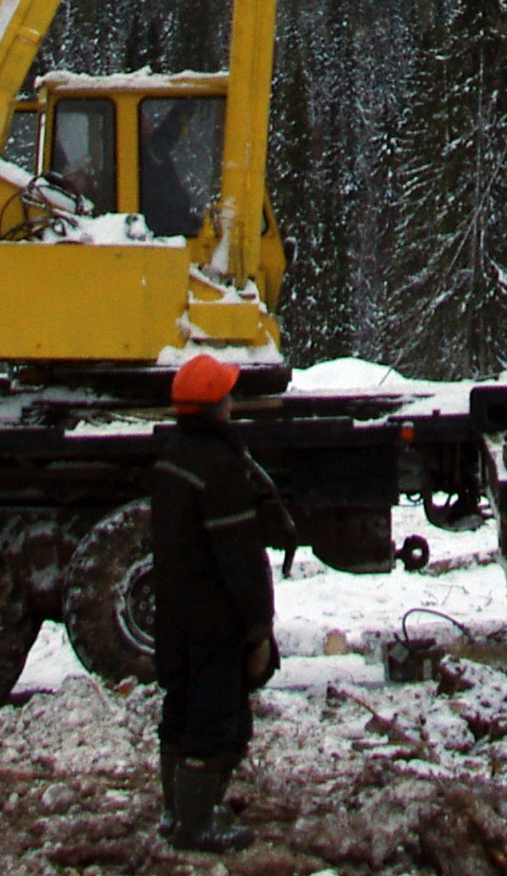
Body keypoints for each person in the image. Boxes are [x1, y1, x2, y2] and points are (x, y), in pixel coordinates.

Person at [150, 354, 283, 847]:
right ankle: (194, 824)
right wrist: (257, 625)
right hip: (215, 616)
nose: (233, 401)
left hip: (176, 610)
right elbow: (239, 555)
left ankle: (175, 812)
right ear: (218, 407)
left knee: (180, 707)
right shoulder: (221, 466)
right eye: (229, 394)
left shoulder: (171, 455)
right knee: (215, 715)